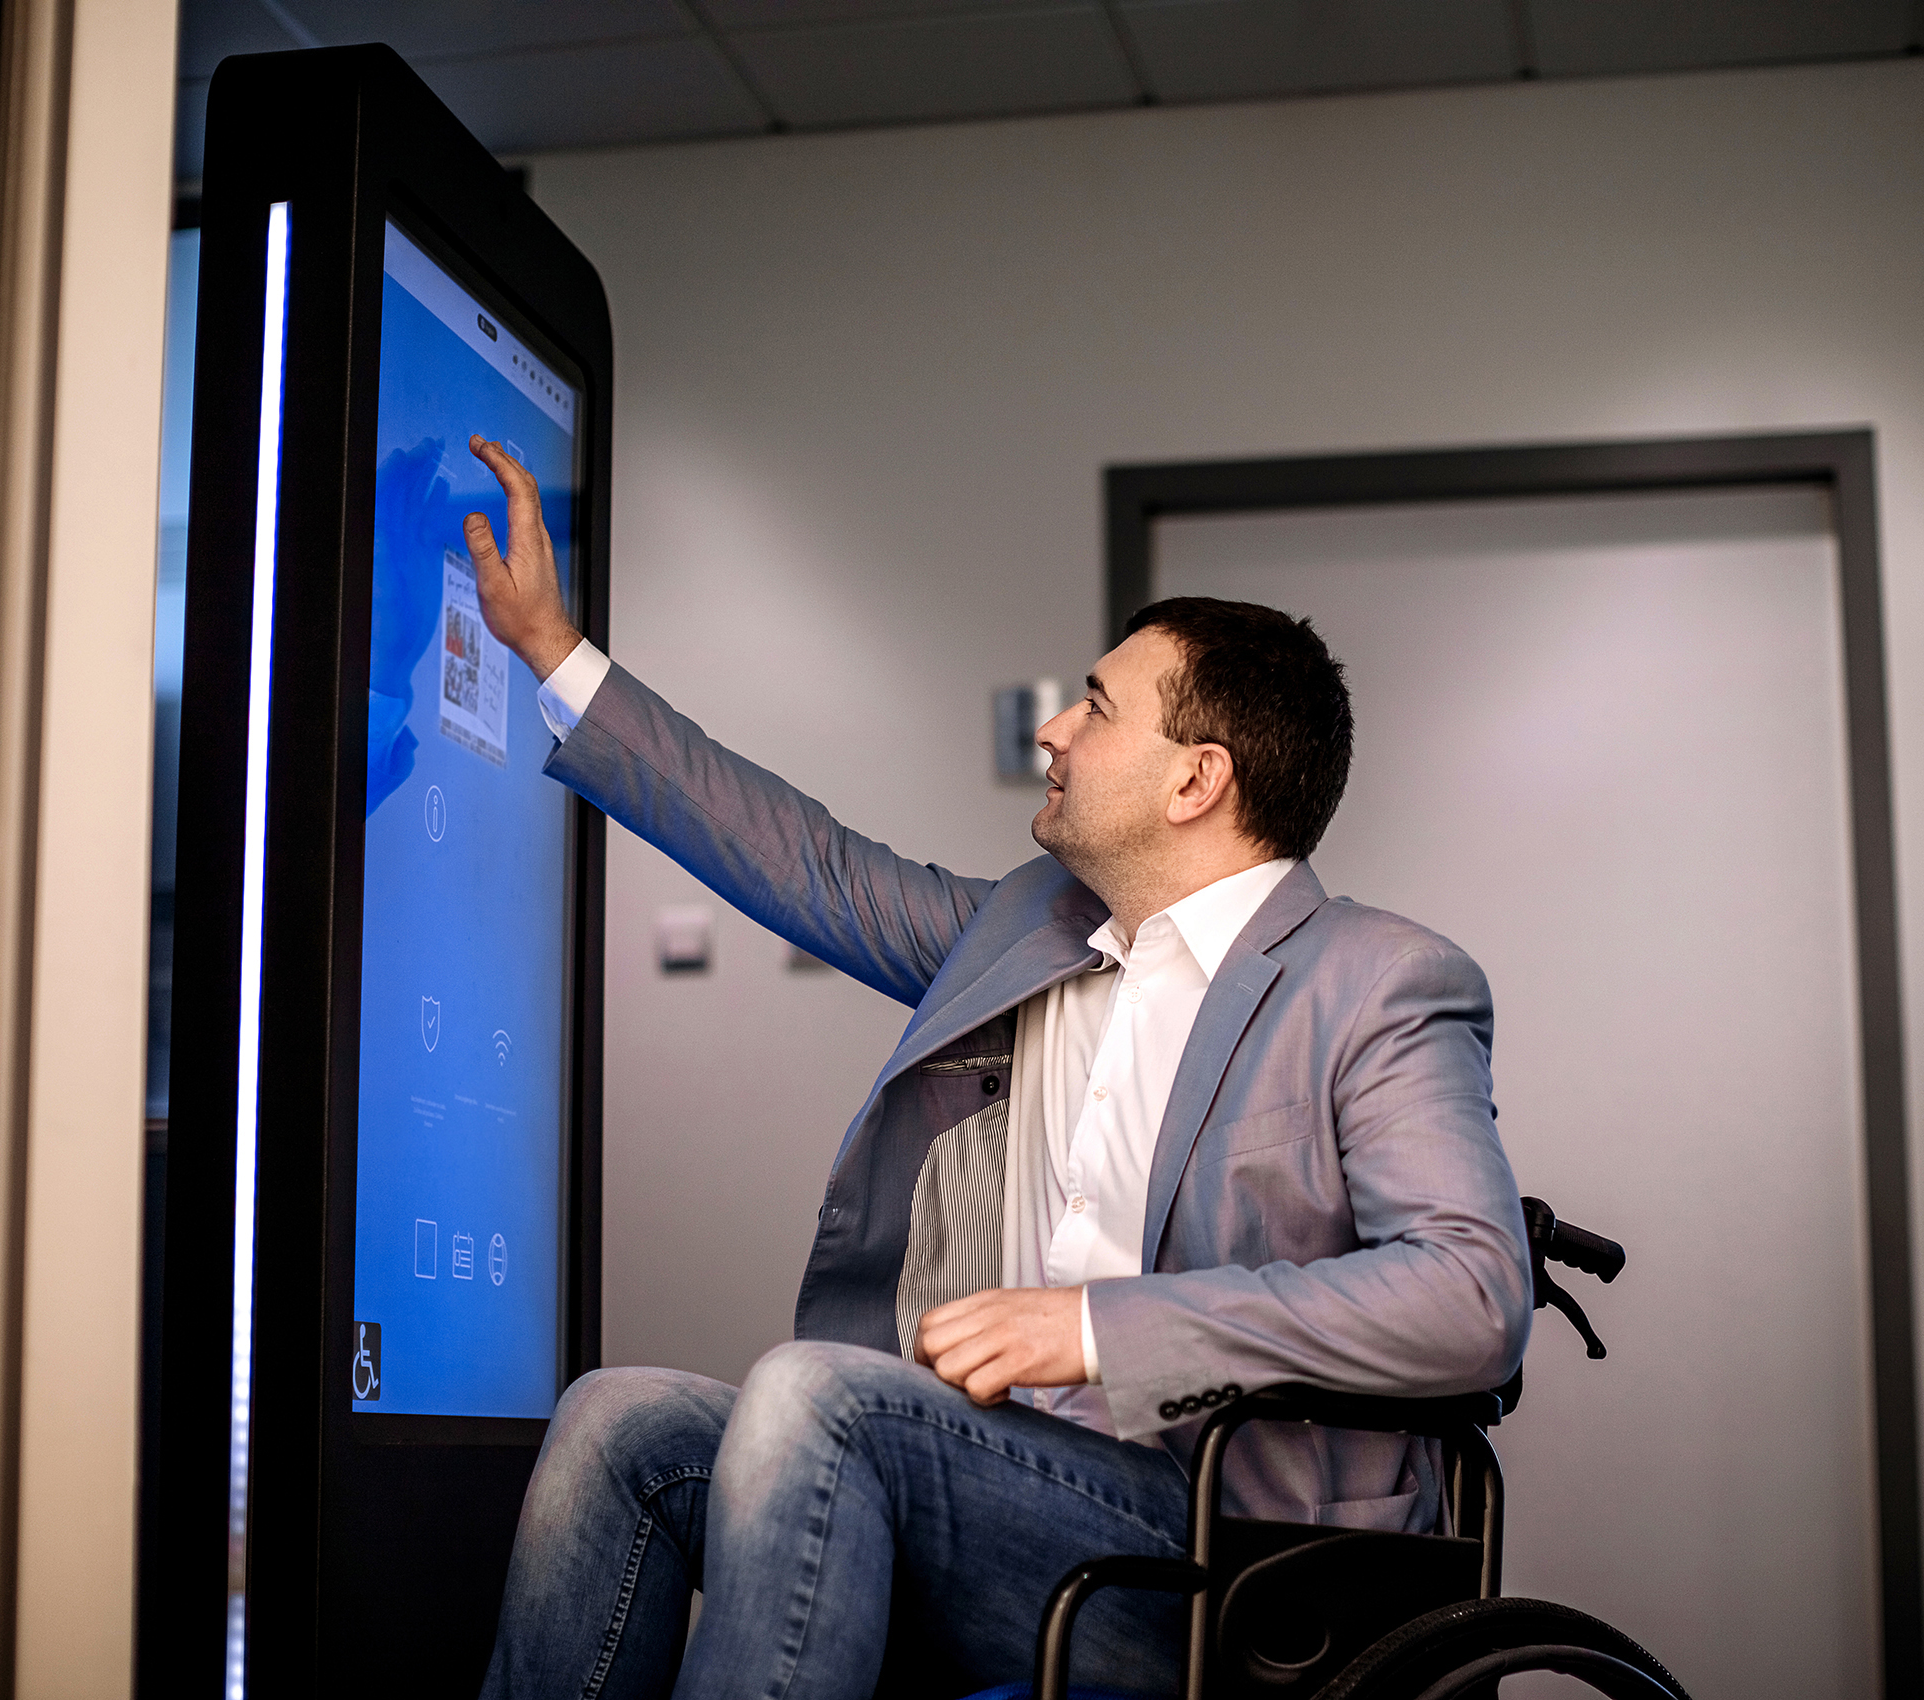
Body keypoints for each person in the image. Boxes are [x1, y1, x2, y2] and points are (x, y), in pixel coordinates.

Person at [462, 434, 1532, 1699]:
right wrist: (550, 653)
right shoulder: (1027, 928)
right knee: (615, 1420)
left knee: (817, 1392)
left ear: (1198, 777)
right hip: (1002, 1485)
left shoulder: (1377, 979)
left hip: (1228, 1556)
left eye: (1096, 703)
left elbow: (1468, 1295)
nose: (1054, 729)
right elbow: (801, 858)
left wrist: (1092, 1326)